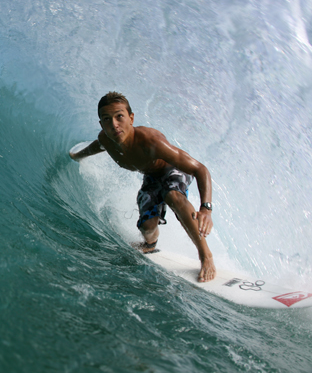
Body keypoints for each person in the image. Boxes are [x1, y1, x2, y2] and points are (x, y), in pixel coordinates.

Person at [69, 91, 216, 282]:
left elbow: (200, 169)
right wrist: (77, 156)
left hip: (173, 170)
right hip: (152, 177)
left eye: (119, 116)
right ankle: (150, 244)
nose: (114, 124)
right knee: (147, 227)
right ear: (101, 124)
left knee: (173, 196)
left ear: (131, 118)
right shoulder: (106, 140)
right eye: (107, 119)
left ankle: (206, 256)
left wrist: (206, 208)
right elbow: (92, 148)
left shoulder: (150, 141)